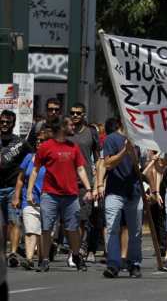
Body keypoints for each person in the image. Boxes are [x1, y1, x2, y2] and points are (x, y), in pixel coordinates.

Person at [27, 117, 94, 272]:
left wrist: (89, 189)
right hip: (50, 194)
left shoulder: (74, 147)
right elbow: (35, 170)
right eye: (70, 124)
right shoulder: (45, 147)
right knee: (46, 227)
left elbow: (81, 169)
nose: (73, 127)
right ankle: (44, 260)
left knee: (73, 228)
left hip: (71, 195)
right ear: (62, 127)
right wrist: (30, 191)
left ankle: (76, 255)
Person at [96, 118, 144, 278]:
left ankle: (134, 263)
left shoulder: (140, 141)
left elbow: (141, 166)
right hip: (115, 192)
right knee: (112, 228)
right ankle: (113, 264)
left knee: (135, 231)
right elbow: (108, 164)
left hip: (134, 192)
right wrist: (125, 151)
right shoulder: (111, 139)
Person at [12, 123, 49, 270]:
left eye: (43, 141)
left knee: (43, 232)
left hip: (48, 200)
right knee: (30, 230)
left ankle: (42, 258)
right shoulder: (29, 157)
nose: (39, 143)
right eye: (38, 140)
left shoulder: (52, 159)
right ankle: (28, 258)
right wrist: (16, 196)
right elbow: (21, 178)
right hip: (29, 199)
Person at [67, 103, 100, 263]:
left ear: (84, 115)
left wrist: (98, 180)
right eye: (72, 112)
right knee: (67, 218)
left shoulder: (91, 132)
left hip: (84, 182)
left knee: (82, 218)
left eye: (78, 113)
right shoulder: (66, 132)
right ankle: (73, 247)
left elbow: (99, 157)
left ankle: (80, 248)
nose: (75, 115)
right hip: (66, 181)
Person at [0, 110, 29, 266]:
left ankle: (13, 253)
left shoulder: (20, 143)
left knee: (14, 221)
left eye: (8, 122)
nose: (4, 124)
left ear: (13, 123)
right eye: (2, 121)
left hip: (12, 188)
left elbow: (32, 158)